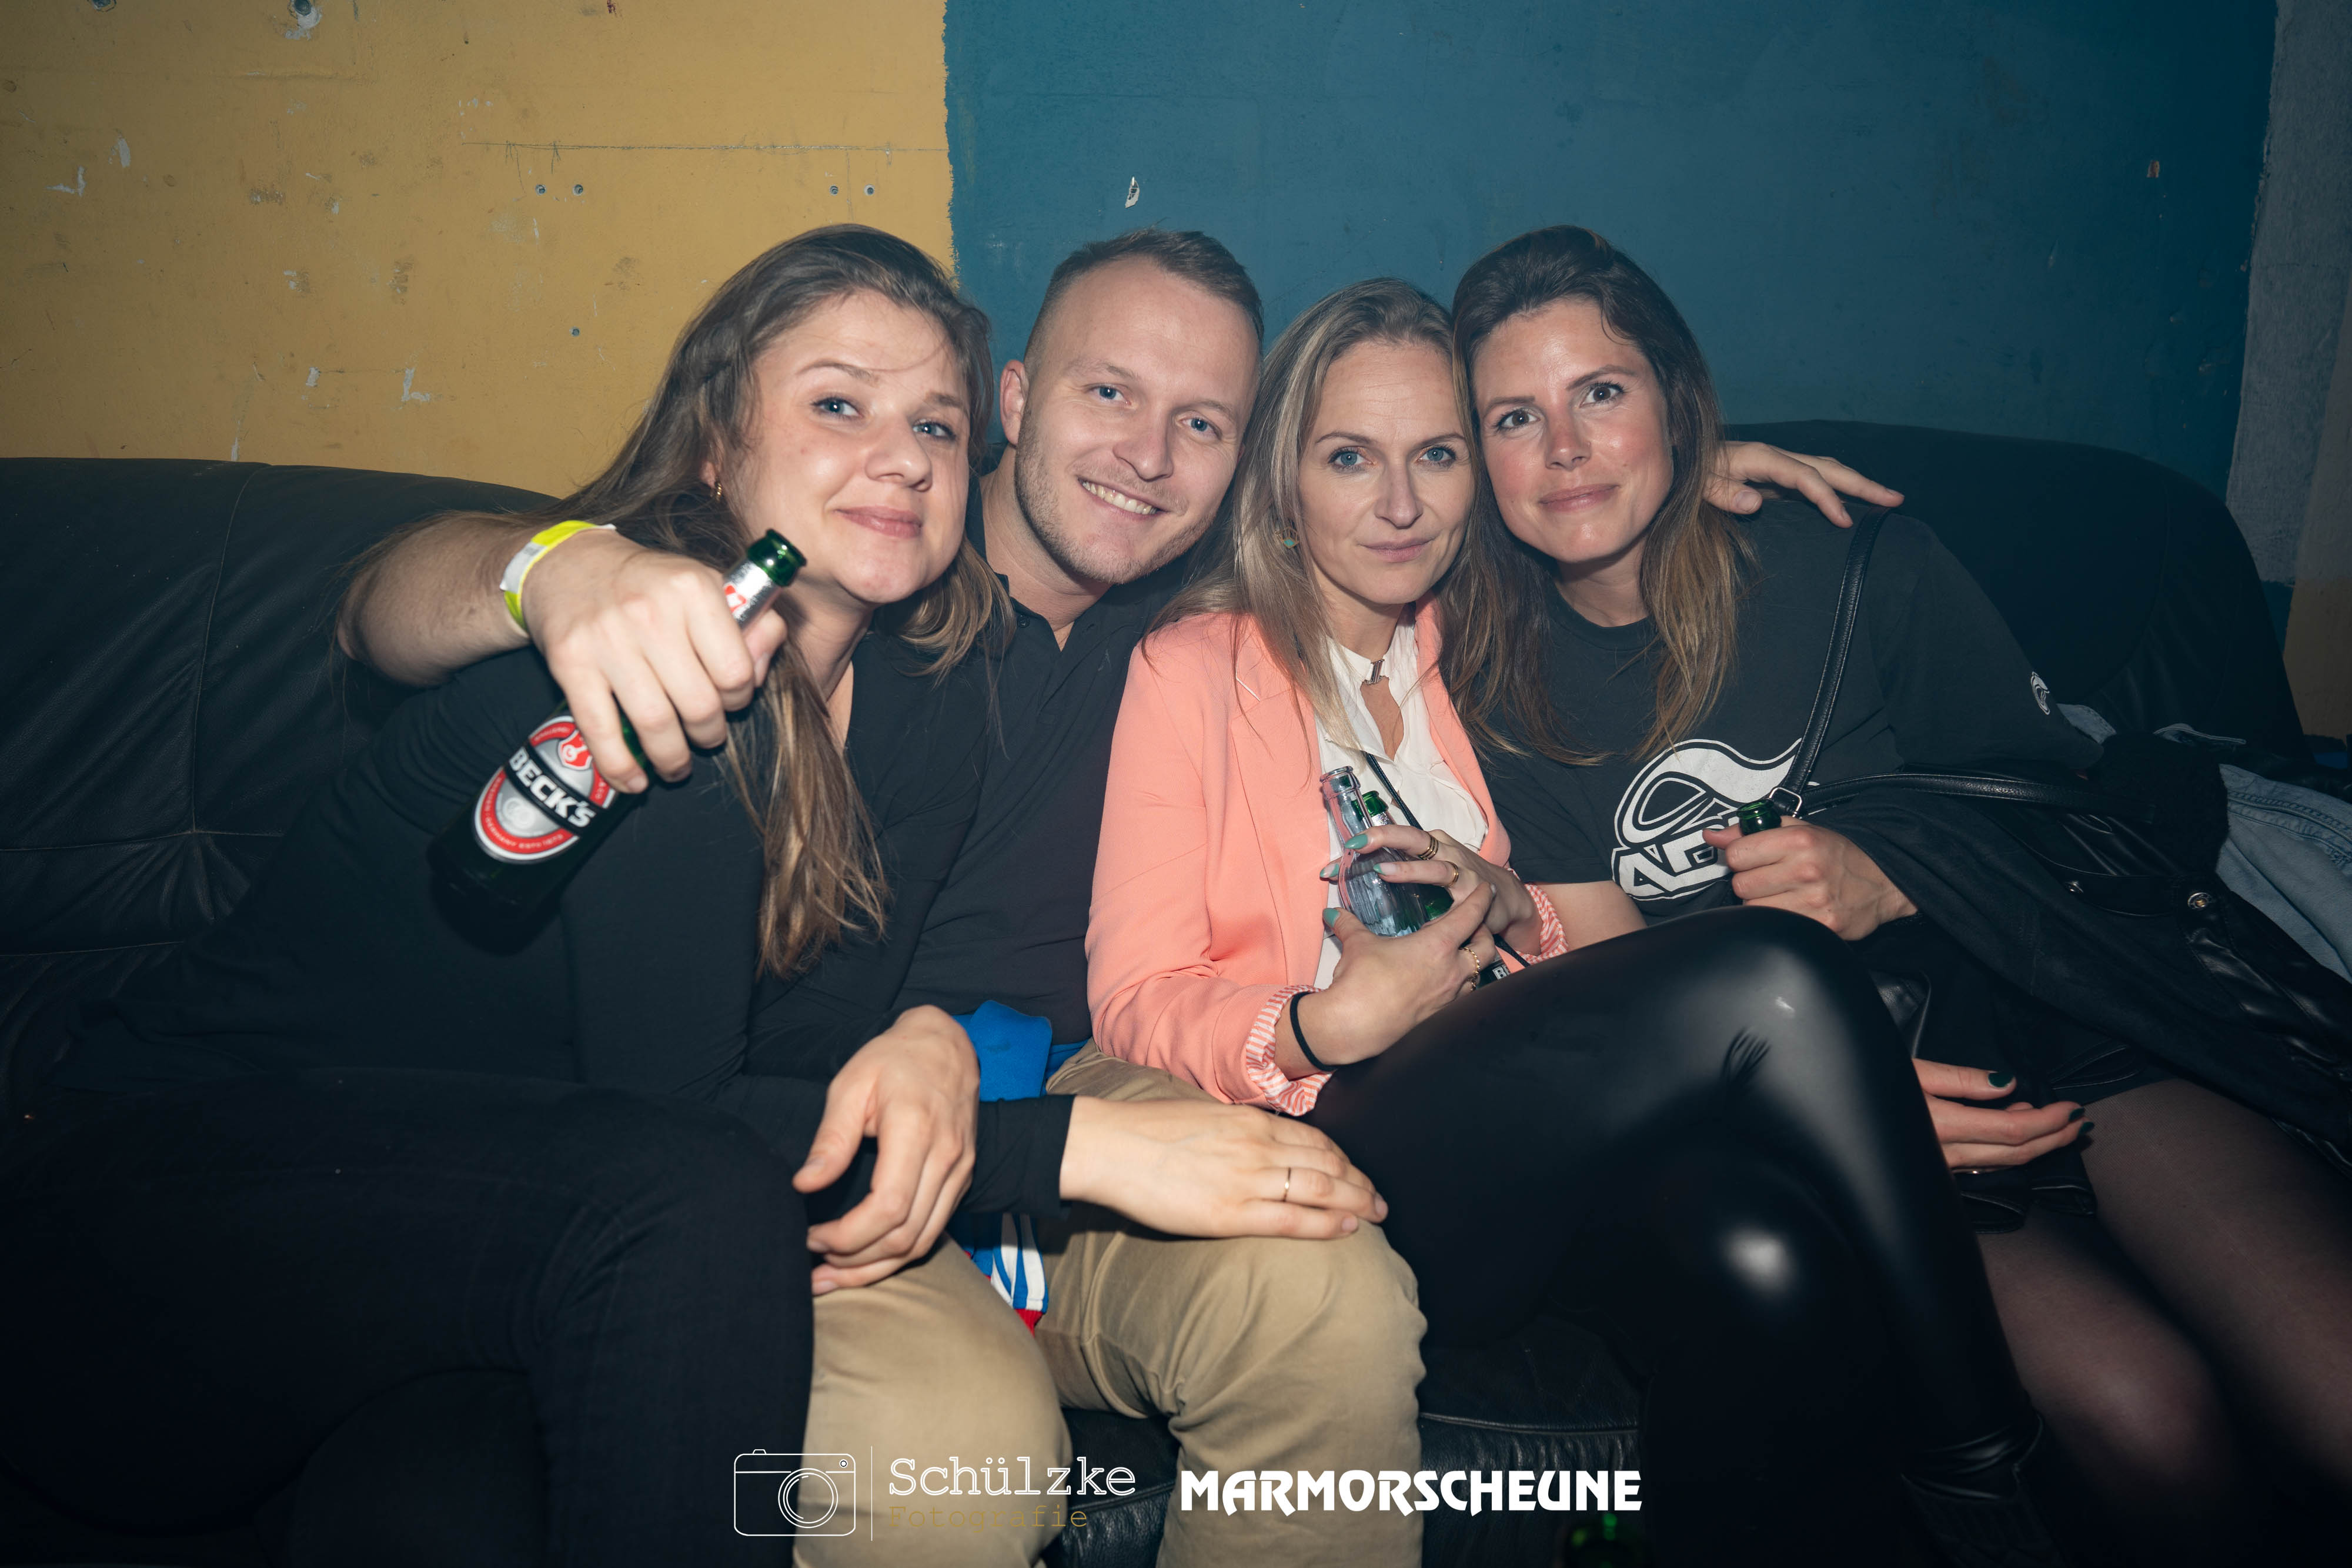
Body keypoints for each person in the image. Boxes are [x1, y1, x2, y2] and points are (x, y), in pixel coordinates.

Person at [340, 225, 1902, 1568]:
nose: (1148, 455)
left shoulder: (1207, 616)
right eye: (1108, 394)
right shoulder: (860, 595)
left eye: (1200, 421)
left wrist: (1666, 484)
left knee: (1329, 1295)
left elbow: (1469, 511)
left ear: (1239, 464)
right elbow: (383, 606)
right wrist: (556, 565)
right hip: (841, 1128)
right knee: (953, 1444)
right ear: (1017, 403)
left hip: (1056, 1097)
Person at [0, 225, 1386, 1568]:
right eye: (837, 404)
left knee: (467, 1494)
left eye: (932, 423)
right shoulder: (644, 662)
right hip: (178, 1217)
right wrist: (557, 564)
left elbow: (790, 1046)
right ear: (718, 440)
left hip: (487, 1259)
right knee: (697, 1210)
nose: (901, 454)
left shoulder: (919, 696)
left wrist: (925, 1040)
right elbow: (379, 605)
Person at [1085, 275, 2089, 1567]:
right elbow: (1135, 994)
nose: (1399, 503)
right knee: (1771, 972)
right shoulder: (1191, 669)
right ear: (1283, 482)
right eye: (1349, 457)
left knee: (1765, 1254)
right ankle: (1984, 1463)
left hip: (1536, 1148)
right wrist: (1319, 1023)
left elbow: (1581, 494)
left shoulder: (1484, 645)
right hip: (1342, 1137)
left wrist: (1694, 462)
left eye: (1437, 454)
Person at [1451, 225, 2352, 1567]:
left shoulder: (1844, 560)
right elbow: (1621, 997)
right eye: (1514, 417)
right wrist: (1840, 1106)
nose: (1566, 448)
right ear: (1475, 459)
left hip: (2065, 1027)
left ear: (1677, 402)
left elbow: (2078, 811)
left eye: (1602, 391)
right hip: (1856, 1115)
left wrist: (1888, 868)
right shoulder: (1502, 688)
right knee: (2148, 1417)